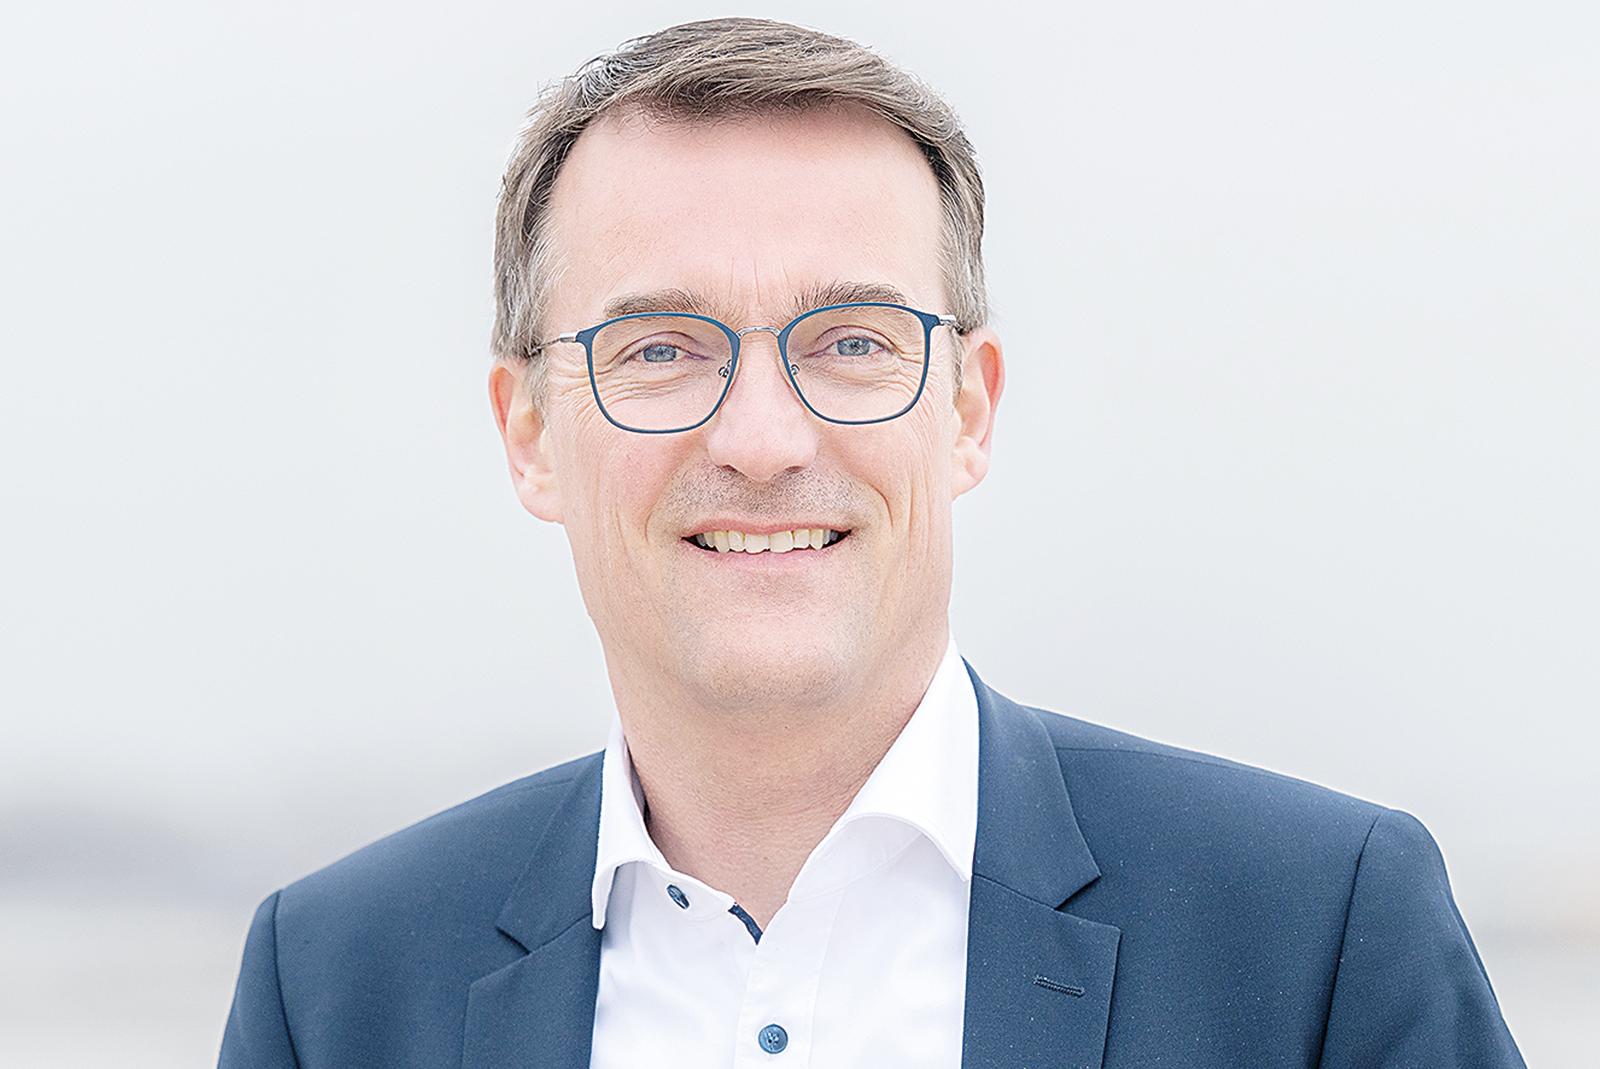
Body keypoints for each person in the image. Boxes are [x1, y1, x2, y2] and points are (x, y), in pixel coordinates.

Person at [218, 17, 1526, 1068]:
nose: (764, 438)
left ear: (968, 410)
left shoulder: (1317, 937)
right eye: (660, 349)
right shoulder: (333, 990)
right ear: (528, 434)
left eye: (852, 342)